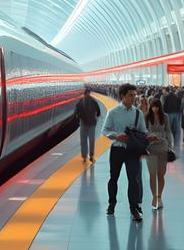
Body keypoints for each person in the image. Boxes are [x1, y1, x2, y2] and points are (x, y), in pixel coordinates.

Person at [102, 83, 152, 222]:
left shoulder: (138, 113)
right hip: (117, 149)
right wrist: (116, 135)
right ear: (122, 96)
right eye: (130, 95)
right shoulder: (113, 112)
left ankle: (134, 208)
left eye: (134, 95)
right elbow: (105, 130)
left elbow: (143, 130)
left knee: (134, 180)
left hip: (132, 151)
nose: (133, 98)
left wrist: (149, 136)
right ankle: (112, 204)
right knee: (114, 178)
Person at [145, 98, 173, 211]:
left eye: (157, 107)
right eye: (153, 107)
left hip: (162, 148)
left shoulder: (165, 117)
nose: (155, 109)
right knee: (152, 174)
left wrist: (169, 145)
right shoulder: (146, 117)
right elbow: (144, 131)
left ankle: (159, 197)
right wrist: (149, 137)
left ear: (160, 107)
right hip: (150, 148)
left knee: (161, 175)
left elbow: (168, 131)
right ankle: (154, 197)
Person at [74, 87, 101, 164]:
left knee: (83, 141)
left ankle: (84, 157)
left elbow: (76, 111)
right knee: (91, 140)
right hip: (92, 124)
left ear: (84, 94)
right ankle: (91, 156)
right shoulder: (93, 100)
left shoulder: (81, 101)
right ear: (89, 93)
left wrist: (78, 117)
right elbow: (98, 110)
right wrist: (96, 116)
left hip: (83, 124)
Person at [162, 87, 182, 153]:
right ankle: (176, 144)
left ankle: (168, 143)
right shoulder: (177, 97)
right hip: (176, 113)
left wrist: (164, 113)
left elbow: (164, 106)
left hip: (169, 114)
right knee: (176, 129)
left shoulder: (166, 97)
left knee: (168, 129)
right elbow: (179, 105)